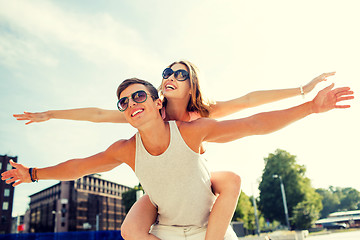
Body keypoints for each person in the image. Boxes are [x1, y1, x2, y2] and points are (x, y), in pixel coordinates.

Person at [12, 60, 336, 240]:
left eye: (181, 74)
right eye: (167, 72)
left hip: (193, 176)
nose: (171, 77)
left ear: (192, 84)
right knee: (131, 228)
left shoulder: (201, 117)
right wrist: (50, 116)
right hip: (160, 187)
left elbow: (250, 111)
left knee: (231, 180)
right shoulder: (146, 109)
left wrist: (305, 96)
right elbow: (96, 121)